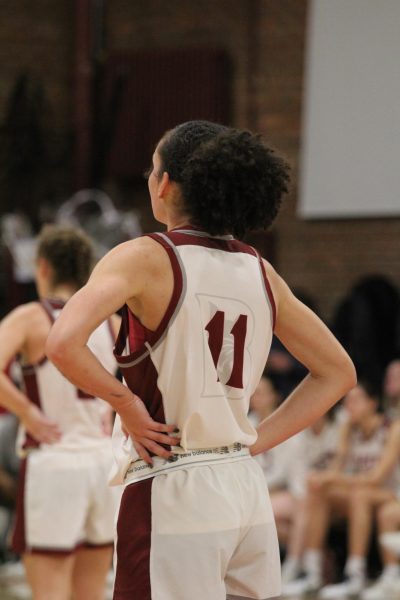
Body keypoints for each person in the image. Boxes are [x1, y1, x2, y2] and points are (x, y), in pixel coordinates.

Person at [46, 120, 356, 600]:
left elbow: (63, 341)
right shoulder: (260, 270)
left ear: (164, 183)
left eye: (152, 169)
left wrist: (127, 405)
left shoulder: (144, 257)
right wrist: (253, 442)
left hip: (174, 484)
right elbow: (338, 372)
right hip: (244, 491)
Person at [0, 225, 120, 600]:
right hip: (105, 465)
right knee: (91, 593)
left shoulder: (31, 316)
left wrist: (28, 412)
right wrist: (116, 410)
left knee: (50, 593)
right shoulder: (111, 321)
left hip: (55, 463)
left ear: (43, 267)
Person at [282, 380, 400, 599]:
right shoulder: (348, 428)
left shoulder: (392, 428)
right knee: (320, 492)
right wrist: (325, 479)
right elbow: (337, 469)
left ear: (373, 403)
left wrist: (332, 477)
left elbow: (376, 478)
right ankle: (312, 573)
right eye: (347, 401)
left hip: (391, 494)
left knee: (359, 493)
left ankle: (355, 575)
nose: (349, 406)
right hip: (360, 495)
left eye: (355, 400)